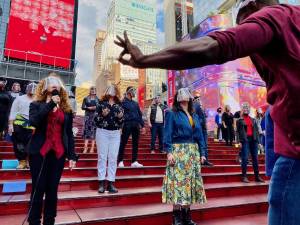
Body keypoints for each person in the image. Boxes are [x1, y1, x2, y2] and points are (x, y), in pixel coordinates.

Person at [115, 1, 300, 223]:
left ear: (253, 5)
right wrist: (169, 149)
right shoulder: (294, 16)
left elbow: (214, 46)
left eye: (244, 21)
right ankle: (179, 214)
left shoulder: (269, 18)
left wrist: (145, 59)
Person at [27, 75, 78, 225]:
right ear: (45, 87)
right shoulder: (36, 105)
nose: (55, 85)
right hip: (39, 153)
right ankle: (34, 220)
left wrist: (72, 156)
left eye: (57, 84)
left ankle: (50, 220)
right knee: (38, 187)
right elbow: (34, 122)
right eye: (51, 83)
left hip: (58, 154)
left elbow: (68, 134)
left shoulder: (66, 109)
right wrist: (49, 105)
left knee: (52, 189)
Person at [162, 88, 207, 225]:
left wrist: (203, 153)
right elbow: (167, 133)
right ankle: (176, 217)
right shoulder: (171, 113)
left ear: (190, 98)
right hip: (178, 151)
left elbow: (200, 136)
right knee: (177, 183)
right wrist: (169, 152)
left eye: (186, 93)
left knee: (190, 184)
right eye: (180, 93)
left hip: (192, 152)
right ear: (177, 97)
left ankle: (187, 217)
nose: (183, 95)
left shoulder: (194, 115)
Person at [95, 85, 124, 194]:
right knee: (102, 157)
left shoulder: (119, 105)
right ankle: (101, 183)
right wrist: (102, 115)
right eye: (110, 90)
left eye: (114, 90)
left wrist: (121, 118)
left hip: (115, 133)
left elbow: (122, 122)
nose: (112, 92)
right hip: (102, 131)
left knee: (113, 157)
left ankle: (111, 183)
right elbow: (95, 120)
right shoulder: (101, 103)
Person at [8, 83, 37, 169]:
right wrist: (10, 124)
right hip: (18, 125)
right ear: (27, 89)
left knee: (31, 145)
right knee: (19, 145)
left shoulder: (38, 100)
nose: (32, 89)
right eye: (30, 88)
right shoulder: (19, 98)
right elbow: (13, 111)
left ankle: (28, 161)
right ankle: (22, 161)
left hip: (32, 126)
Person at [118, 86, 145, 168]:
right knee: (123, 142)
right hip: (126, 124)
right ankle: (120, 161)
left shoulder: (135, 103)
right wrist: (120, 127)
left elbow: (139, 115)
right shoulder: (122, 102)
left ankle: (134, 161)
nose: (134, 92)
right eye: (133, 90)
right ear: (128, 92)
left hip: (136, 125)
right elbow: (119, 115)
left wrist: (142, 126)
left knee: (135, 143)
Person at [237, 102, 264, 183]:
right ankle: (244, 176)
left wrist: (259, 142)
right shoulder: (239, 120)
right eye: (244, 107)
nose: (246, 109)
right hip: (245, 140)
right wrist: (239, 141)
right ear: (242, 109)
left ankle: (257, 176)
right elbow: (237, 132)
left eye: (247, 107)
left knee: (255, 158)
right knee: (245, 158)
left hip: (254, 140)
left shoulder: (253, 119)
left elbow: (255, 131)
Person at [193, 96, 213, 167]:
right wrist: (199, 124)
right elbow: (196, 117)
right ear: (194, 100)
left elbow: (203, 117)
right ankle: (201, 160)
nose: (199, 100)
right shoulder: (195, 106)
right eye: (197, 99)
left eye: (199, 99)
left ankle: (205, 160)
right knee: (201, 144)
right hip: (199, 129)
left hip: (204, 129)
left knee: (205, 145)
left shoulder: (201, 107)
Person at [81, 86, 99, 153]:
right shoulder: (86, 98)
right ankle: (85, 148)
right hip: (88, 117)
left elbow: (100, 107)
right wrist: (89, 108)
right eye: (91, 90)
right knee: (87, 132)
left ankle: (92, 148)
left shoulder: (98, 99)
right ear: (90, 91)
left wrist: (96, 107)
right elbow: (83, 107)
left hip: (95, 117)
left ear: (95, 91)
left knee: (94, 133)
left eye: (94, 90)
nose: (93, 91)